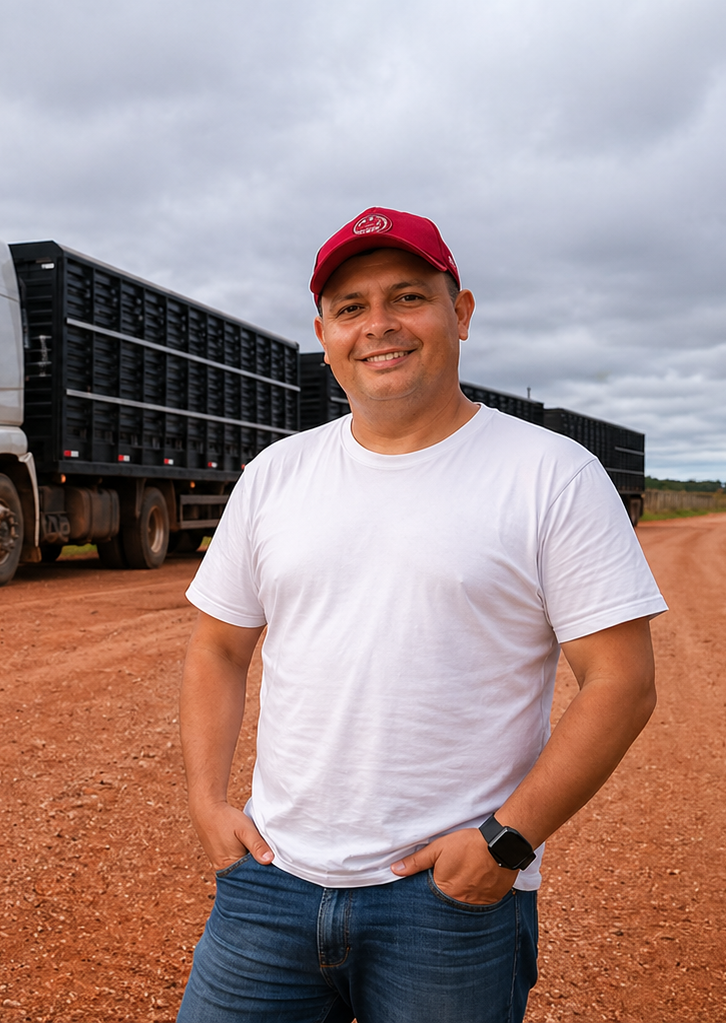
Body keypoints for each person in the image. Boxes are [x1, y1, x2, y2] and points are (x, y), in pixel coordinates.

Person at [176, 208, 667, 1022]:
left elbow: (621, 682)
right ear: (323, 333)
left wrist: (506, 842)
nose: (379, 327)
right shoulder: (276, 475)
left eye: (406, 297)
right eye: (350, 307)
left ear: (460, 312)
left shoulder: (550, 475)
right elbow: (218, 649)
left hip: (445, 902)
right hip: (268, 889)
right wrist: (205, 800)